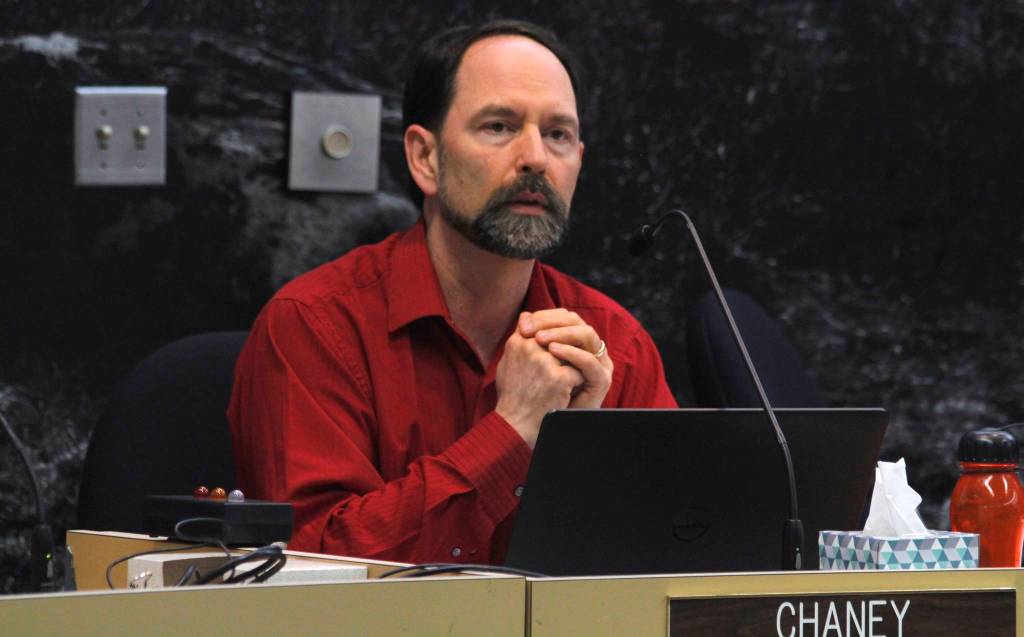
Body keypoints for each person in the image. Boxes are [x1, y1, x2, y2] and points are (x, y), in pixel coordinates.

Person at [228, 19, 676, 565]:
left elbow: (676, 558)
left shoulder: (615, 343)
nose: (536, 157)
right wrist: (514, 430)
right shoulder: (314, 325)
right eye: (499, 126)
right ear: (426, 158)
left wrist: (590, 452)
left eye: (558, 134)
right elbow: (315, 566)